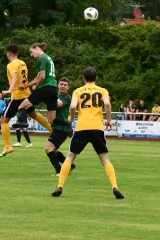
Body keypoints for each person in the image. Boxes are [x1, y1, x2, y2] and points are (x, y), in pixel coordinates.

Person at [52, 67, 124, 199]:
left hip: (82, 127)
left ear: (84, 78)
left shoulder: (78, 91)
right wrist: (108, 120)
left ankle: (60, 186)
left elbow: (73, 106)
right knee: (105, 159)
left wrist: (71, 118)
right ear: (96, 78)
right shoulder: (102, 90)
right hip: (97, 127)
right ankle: (115, 187)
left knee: (70, 157)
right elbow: (107, 104)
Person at [0, 44, 51, 157]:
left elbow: (15, 78)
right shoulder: (22, 63)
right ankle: (51, 130)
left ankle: (7, 146)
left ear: (8, 54)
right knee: (33, 114)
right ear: (17, 53)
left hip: (17, 96)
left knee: (3, 120)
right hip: (26, 94)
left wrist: (10, 89)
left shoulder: (11, 65)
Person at [13, 42, 58, 130]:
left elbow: (42, 77)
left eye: (31, 52)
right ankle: (64, 126)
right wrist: (26, 86)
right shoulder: (48, 58)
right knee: (52, 120)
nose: (31, 55)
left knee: (22, 106)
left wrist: (36, 87)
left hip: (45, 88)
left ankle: (22, 123)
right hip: (53, 89)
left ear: (36, 48)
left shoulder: (41, 58)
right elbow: (37, 77)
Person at [45, 78, 76, 176]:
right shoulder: (57, 96)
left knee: (48, 149)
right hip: (56, 127)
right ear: (58, 85)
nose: (63, 86)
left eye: (65, 85)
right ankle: (69, 165)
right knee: (53, 151)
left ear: (68, 87)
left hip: (61, 128)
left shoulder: (66, 97)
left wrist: (45, 96)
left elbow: (56, 105)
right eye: (61, 84)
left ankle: (59, 171)